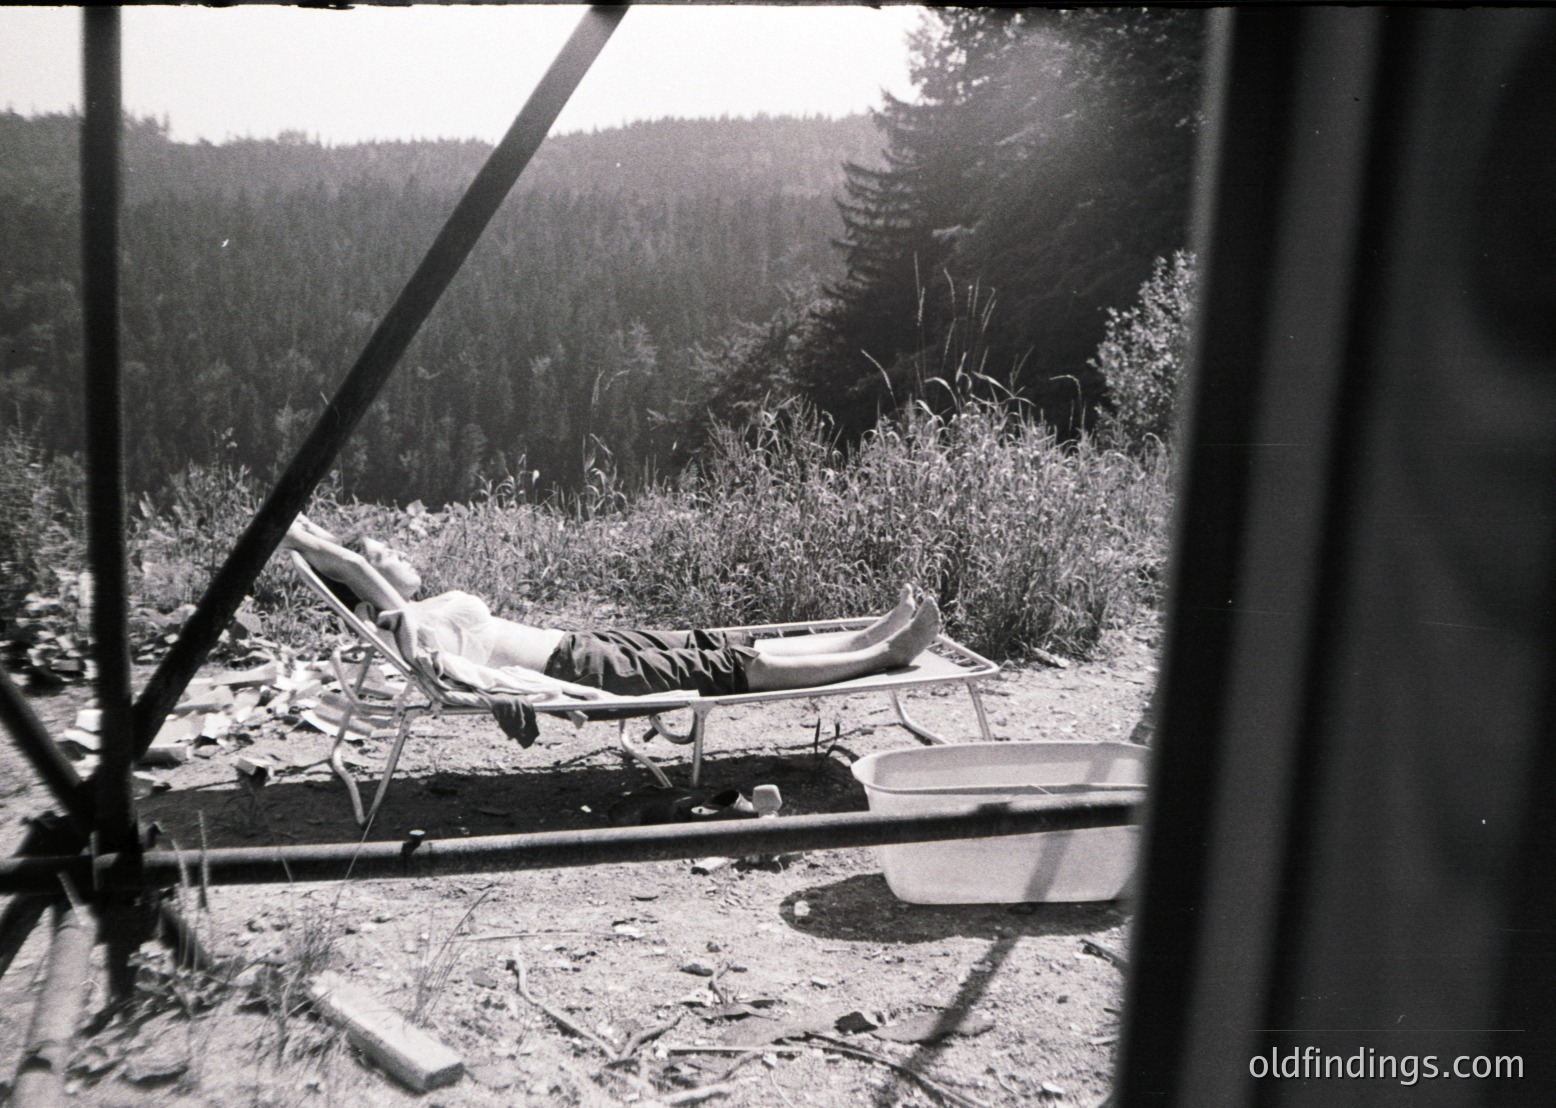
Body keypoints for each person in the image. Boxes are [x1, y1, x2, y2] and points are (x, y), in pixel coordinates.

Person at [280, 515, 941, 704]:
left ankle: (866, 634)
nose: (394, 549)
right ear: (367, 586)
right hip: (587, 669)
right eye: (382, 551)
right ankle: (883, 654)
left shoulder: (416, 612)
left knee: (714, 649)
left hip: (587, 647)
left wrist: (305, 518)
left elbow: (352, 561)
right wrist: (292, 533)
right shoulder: (406, 624)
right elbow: (349, 564)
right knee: (734, 670)